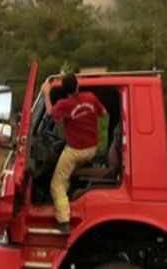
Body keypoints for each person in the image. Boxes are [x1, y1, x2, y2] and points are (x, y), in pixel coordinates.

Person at [41, 73, 107, 234]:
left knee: (56, 185)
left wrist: (46, 92)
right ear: (78, 85)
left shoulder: (64, 104)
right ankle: (68, 197)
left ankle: (63, 220)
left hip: (75, 151)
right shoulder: (91, 97)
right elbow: (103, 112)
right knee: (67, 174)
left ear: (65, 89)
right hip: (91, 149)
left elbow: (49, 112)